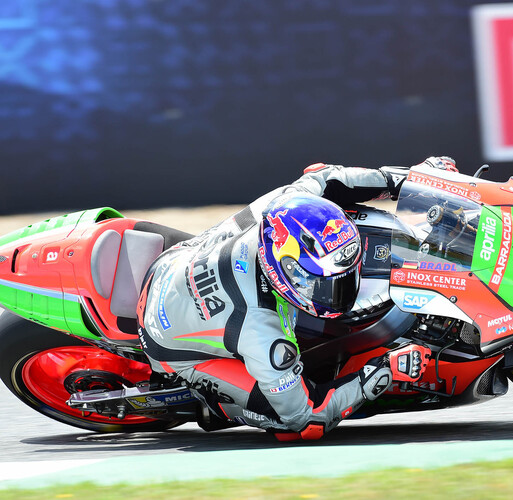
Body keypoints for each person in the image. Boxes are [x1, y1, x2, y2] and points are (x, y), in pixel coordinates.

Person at [136, 156, 458, 440]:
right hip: (165, 335)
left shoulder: (285, 206)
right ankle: (214, 405)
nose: (342, 291)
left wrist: (413, 181)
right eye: (327, 285)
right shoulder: (260, 333)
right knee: (288, 421)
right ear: (284, 271)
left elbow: (329, 176)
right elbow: (305, 414)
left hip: (178, 261)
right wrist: (380, 373)